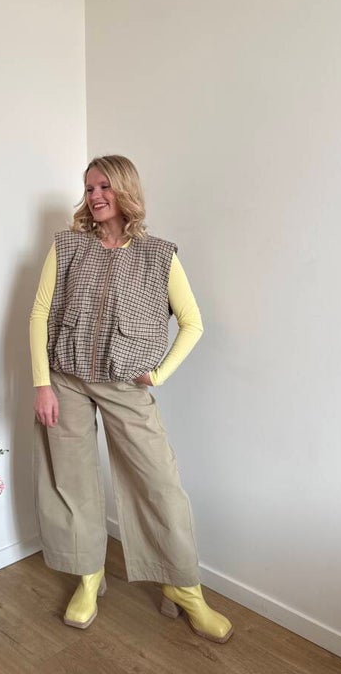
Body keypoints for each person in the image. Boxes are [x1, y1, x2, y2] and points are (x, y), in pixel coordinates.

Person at [29, 155, 233, 643]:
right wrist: (42, 383)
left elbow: (193, 323)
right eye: (89, 188)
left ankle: (183, 587)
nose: (95, 196)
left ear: (125, 190)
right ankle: (89, 575)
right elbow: (40, 313)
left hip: (125, 384)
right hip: (66, 380)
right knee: (73, 482)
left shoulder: (158, 255)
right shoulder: (67, 246)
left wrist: (158, 374)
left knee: (159, 483)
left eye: (105, 186)